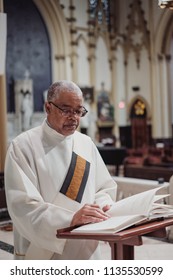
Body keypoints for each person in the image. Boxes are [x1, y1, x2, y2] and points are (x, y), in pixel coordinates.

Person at [5, 80, 117, 260]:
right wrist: (70, 220)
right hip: (44, 253)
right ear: (48, 108)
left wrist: (103, 208)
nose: (74, 117)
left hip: (85, 249)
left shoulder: (85, 144)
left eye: (79, 111)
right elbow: (23, 206)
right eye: (66, 110)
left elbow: (103, 188)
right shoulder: (23, 147)